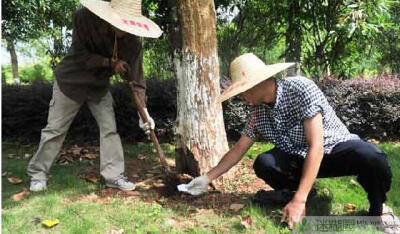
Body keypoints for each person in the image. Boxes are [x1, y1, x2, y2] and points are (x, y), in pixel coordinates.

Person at [180, 53, 395, 229]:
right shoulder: (257, 112)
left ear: (254, 85)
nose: (240, 98)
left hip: (332, 148)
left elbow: (316, 146)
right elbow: (238, 149)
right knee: (264, 162)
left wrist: (299, 200)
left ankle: (377, 210)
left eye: (240, 92)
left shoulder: (300, 88)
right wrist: (206, 178)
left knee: (372, 157)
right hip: (298, 158)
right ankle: (300, 194)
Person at [27, 0, 162, 192]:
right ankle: (38, 174)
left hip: (98, 87)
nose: (124, 28)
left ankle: (114, 176)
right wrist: (109, 63)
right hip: (71, 82)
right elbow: (81, 55)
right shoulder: (84, 18)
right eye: (121, 21)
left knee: (109, 130)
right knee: (55, 129)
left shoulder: (132, 43)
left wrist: (144, 113)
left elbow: (137, 80)